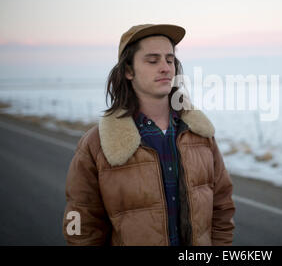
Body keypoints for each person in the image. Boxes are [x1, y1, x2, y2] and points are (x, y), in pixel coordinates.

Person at [62, 24, 235, 246]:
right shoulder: (96, 144)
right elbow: (80, 226)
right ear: (128, 70)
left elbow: (222, 208)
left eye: (170, 60)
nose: (165, 68)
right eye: (153, 61)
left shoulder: (200, 135)